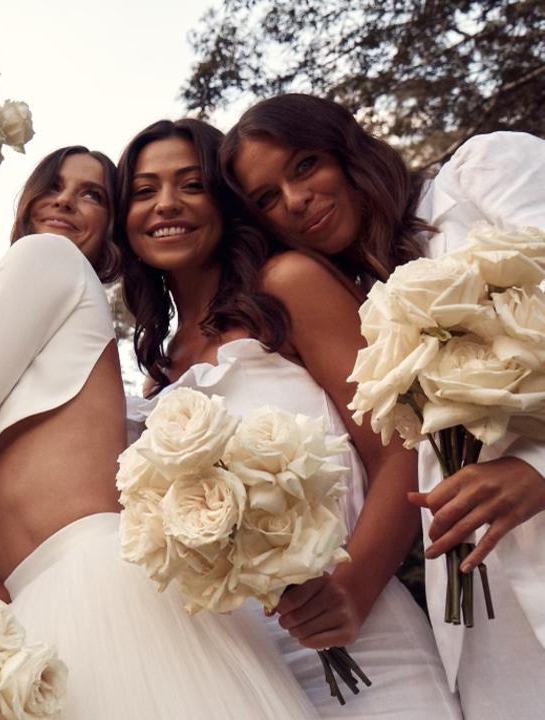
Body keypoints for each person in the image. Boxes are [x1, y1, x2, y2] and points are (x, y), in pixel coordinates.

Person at [0, 145, 317, 719]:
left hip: (99, 581)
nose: (65, 203)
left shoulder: (45, 257)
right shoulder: (17, 332)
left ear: (112, 233)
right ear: (26, 201)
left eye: (92, 195)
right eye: (53, 186)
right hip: (36, 603)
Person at [119, 118, 458, 717]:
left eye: (190, 184)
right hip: (244, 671)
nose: (165, 204)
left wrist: (351, 594)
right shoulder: (161, 374)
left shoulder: (290, 287)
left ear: (224, 202)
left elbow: (402, 448)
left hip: (369, 643)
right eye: (144, 191)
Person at [223, 94, 545, 718]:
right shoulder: (357, 312)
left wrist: (539, 469)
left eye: (305, 165)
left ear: (348, 149)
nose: (294, 200)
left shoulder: (482, 174)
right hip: (486, 622)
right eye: (267, 199)